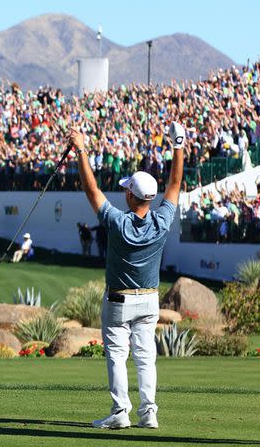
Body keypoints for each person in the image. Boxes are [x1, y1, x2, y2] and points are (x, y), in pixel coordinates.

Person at [70, 121, 184, 430]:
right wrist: (178, 145)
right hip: (149, 302)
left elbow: (90, 189)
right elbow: (174, 184)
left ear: (132, 197)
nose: (123, 193)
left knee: (117, 356)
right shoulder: (162, 221)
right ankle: (149, 414)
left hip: (119, 301)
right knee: (146, 358)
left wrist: (80, 148)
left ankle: (120, 412)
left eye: (125, 190)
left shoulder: (118, 224)